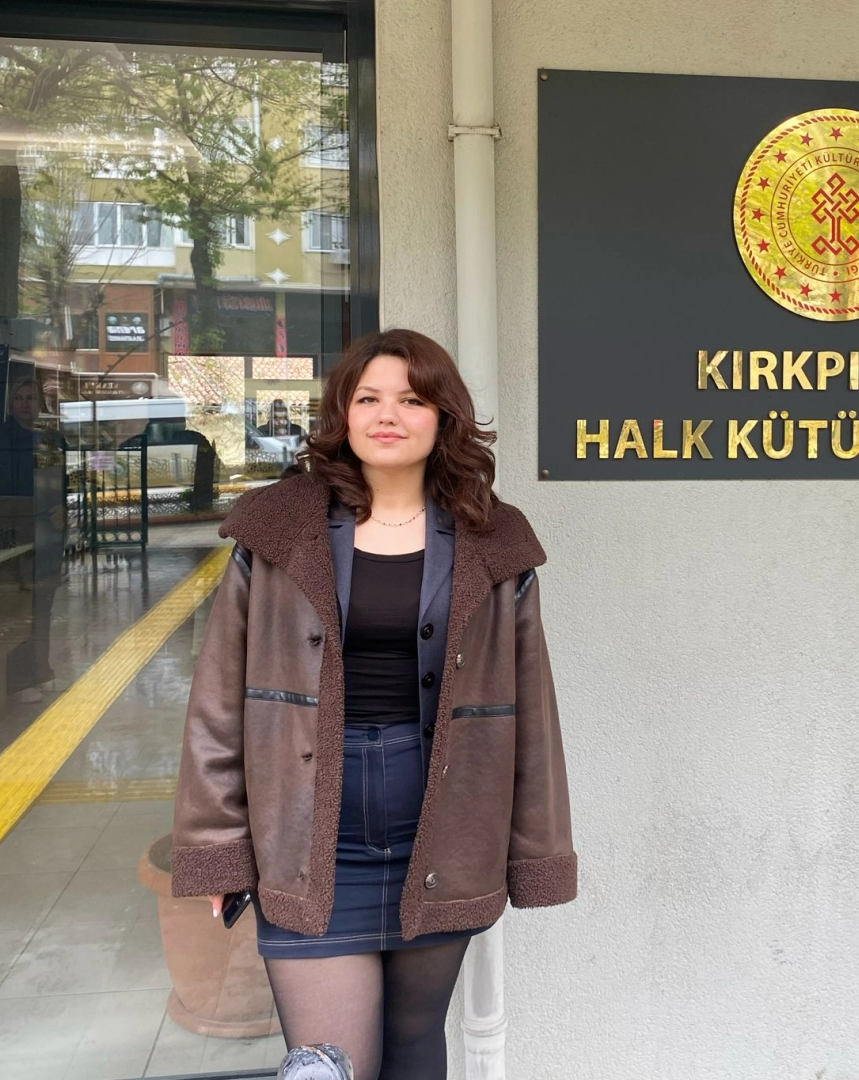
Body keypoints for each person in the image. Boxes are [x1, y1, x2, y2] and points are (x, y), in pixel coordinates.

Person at [172, 329, 577, 1080]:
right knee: (328, 1062)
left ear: (443, 418)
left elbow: (531, 715)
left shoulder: (494, 539)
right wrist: (217, 845)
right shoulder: (275, 528)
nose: (387, 415)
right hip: (306, 831)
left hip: (444, 829)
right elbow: (218, 704)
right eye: (368, 399)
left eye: (411, 400)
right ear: (342, 413)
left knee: (415, 1046)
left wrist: (536, 853)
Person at [0, 375, 68, 704]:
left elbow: (61, 482)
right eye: (18, 398)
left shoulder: (51, 439)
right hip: (10, 529)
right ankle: (18, 680)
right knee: (16, 605)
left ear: (40, 403)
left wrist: (62, 507)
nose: (24, 403)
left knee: (43, 602)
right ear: (10, 404)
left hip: (46, 530)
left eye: (30, 397)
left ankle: (41, 668)